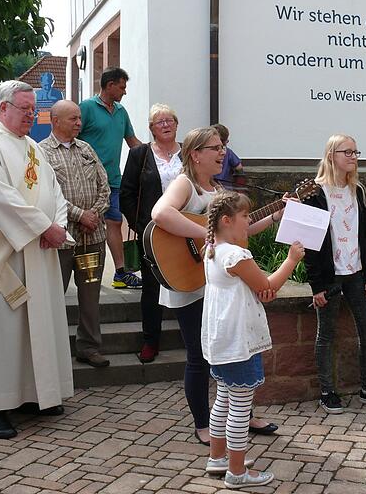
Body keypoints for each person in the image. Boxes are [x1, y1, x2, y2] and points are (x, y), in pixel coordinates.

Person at [0, 80, 74, 439]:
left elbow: (54, 191)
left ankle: (33, 394)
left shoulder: (34, 149)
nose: (31, 116)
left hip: (36, 251)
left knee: (34, 327)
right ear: (3, 108)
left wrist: (58, 226)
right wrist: (43, 227)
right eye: (25, 109)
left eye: (32, 109)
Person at [151, 127, 281, 445]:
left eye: (223, 148)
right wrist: (204, 235)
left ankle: (243, 415)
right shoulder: (186, 183)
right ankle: (202, 424)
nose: (223, 153)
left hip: (213, 284)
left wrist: (275, 216)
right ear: (195, 154)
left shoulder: (219, 188)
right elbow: (160, 213)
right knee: (198, 355)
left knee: (230, 353)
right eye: (216, 148)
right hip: (187, 278)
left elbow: (237, 231)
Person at [201, 191, 304, 489]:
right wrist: (291, 258)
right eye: (245, 217)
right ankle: (237, 472)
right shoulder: (236, 254)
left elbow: (255, 289)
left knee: (223, 398)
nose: (249, 221)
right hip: (239, 341)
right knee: (241, 406)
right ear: (226, 220)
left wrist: (263, 291)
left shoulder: (213, 248)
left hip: (221, 340)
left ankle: (218, 457)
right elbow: (267, 284)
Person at [303, 134, 366, 414]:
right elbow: (310, 243)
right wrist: (316, 285)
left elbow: (365, 236)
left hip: (356, 272)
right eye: (348, 152)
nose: (354, 157)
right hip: (330, 275)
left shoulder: (358, 191)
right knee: (326, 334)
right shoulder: (315, 193)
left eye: (356, 152)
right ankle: (328, 392)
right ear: (331, 155)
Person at [39, 100, 111, 368]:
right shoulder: (41, 152)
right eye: (73, 119)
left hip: (92, 239)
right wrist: (81, 215)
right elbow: (45, 195)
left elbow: (104, 185)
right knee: (53, 295)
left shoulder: (87, 149)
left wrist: (94, 213)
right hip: (61, 240)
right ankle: (53, 350)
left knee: (90, 295)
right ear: (55, 121)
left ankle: (89, 347)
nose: (79, 123)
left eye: (79, 118)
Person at [121, 103, 182, 364]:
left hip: (188, 230)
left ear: (177, 125)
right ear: (151, 129)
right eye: (160, 122)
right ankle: (150, 341)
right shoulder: (140, 154)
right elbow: (126, 194)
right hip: (152, 234)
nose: (166, 125)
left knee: (192, 285)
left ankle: (195, 338)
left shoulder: (190, 153)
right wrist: (142, 227)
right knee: (152, 287)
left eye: (170, 120)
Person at [78, 67, 142, 289]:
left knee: (115, 221)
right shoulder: (86, 108)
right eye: (122, 87)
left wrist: (157, 155)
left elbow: (132, 141)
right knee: (85, 225)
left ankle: (120, 273)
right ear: (110, 85)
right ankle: (79, 275)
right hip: (87, 181)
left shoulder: (121, 111)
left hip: (114, 180)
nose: (124, 92)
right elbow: (72, 138)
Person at [212, 124, 244, 189]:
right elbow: (239, 167)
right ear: (226, 141)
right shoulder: (228, 152)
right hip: (226, 188)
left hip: (210, 187)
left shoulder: (207, 152)